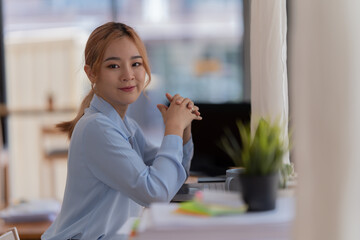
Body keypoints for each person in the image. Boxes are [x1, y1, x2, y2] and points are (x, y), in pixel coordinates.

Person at [41, 22, 202, 240]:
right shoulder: (97, 128)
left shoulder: (127, 127)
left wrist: (182, 129)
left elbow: (171, 178)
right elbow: (155, 193)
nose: (128, 75)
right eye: (113, 66)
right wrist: (172, 127)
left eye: (136, 63)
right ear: (91, 74)